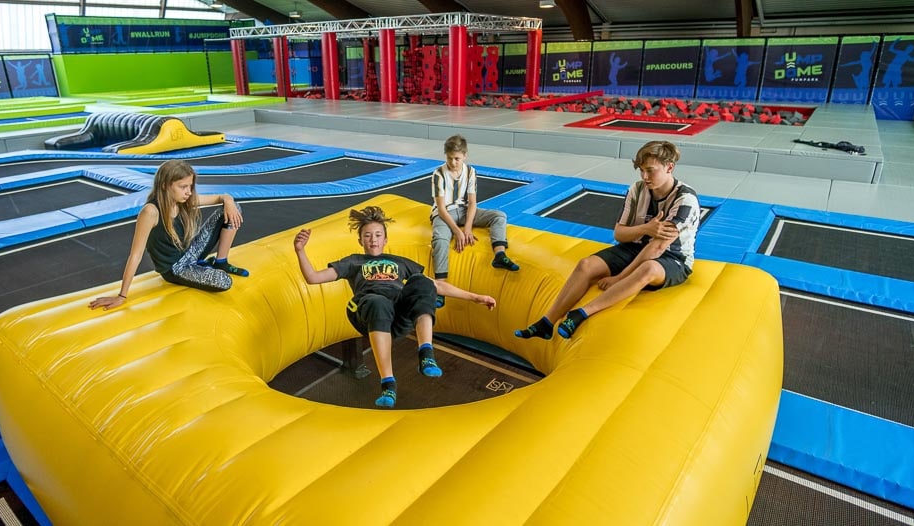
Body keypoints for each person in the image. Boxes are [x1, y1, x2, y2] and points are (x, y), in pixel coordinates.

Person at [294, 206, 496, 408]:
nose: (373, 239)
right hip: (370, 312)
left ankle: (426, 355)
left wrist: (475, 297)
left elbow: (437, 285)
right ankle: (388, 385)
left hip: (399, 314)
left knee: (422, 281)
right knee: (377, 301)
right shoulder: (354, 262)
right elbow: (313, 278)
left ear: (385, 240)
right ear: (360, 241)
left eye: (378, 235)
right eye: (367, 236)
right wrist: (300, 250)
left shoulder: (399, 262)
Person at [513, 140, 699, 341]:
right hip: (636, 246)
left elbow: (657, 248)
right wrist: (646, 228)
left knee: (648, 270)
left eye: (650, 171)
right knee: (586, 265)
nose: (644, 177)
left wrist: (619, 277)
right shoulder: (637, 190)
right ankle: (546, 322)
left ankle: (582, 313)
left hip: (673, 257)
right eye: (641, 171)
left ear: (669, 167)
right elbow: (619, 234)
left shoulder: (685, 200)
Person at [89, 160, 248, 310]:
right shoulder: (151, 212)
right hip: (176, 268)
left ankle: (221, 261)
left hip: (190, 252)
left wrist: (228, 200)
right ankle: (203, 266)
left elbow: (223, 197)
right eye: (183, 187)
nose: (188, 192)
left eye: (190, 186)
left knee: (234, 208)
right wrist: (121, 296)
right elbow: (135, 255)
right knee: (224, 281)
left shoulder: (184, 200)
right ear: (165, 185)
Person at [431, 134, 519, 308]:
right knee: (440, 239)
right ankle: (441, 286)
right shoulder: (438, 174)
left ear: (465, 156)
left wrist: (468, 228)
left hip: (464, 211)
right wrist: (457, 231)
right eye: (450, 158)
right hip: (444, 213)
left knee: (499, 216)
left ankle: (500, 254)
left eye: (457, 158)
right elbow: (441, 208)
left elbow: (472, 203)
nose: (453, 162)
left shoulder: (470, 172)